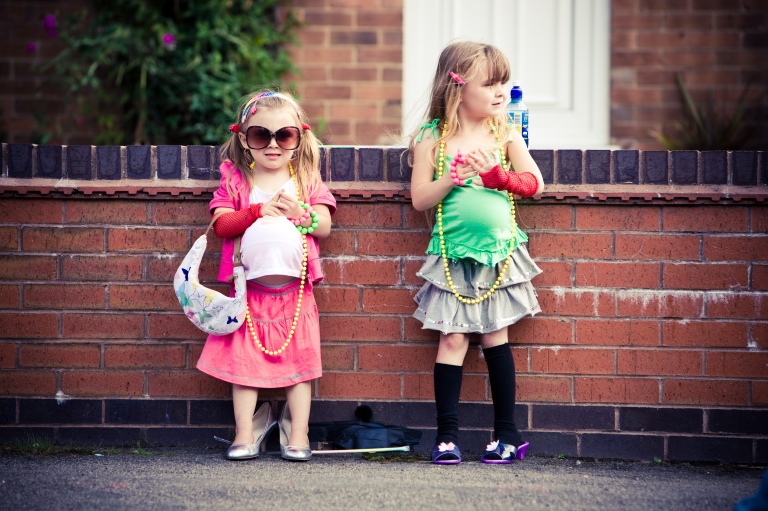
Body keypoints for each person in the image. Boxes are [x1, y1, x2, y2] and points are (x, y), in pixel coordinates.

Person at [408, 41, 544, 465]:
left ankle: (507, 435)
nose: (500, 91)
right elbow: (419, 198)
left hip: (498, 253)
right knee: (452, 339)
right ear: (458, 87)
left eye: (504, 82)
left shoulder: (503, 132)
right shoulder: (433, 137)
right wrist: (451, 178)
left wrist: (498, 176)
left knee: (494, 336)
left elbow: (535, 183)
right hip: (451, 255)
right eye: (490, 83)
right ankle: (446, 438)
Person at [197, 91, 336, 461]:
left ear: (299, 139)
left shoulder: (304, 178)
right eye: (261, 135)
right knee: (242, 365)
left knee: (301, 365)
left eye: (284, 135)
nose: (273, 144)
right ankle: (246, 431)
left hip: (295, 292)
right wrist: (257, 210)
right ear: (245, 139)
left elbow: (324, 225)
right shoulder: (237, 181)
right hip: (249, 292)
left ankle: (298, 431)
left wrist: (301, 213)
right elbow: (222, 225)